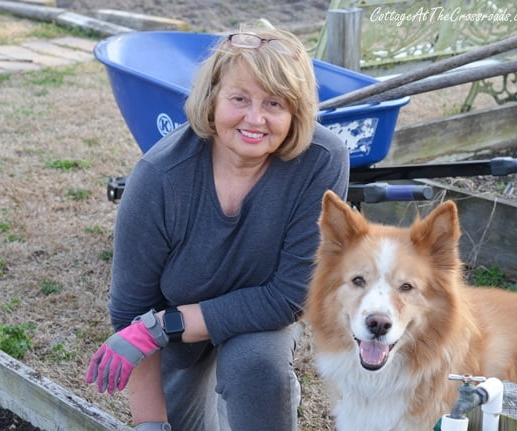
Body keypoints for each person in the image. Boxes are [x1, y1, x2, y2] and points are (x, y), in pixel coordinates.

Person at [85, 24, 350, 431]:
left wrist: (160, 327)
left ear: (296, 112)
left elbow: (289, 297)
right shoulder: (159, 177)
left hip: (256, 316)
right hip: (173, 329)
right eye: (239, 98)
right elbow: (132, 312)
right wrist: (150, 423)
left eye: (275, 103)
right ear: (211, 99)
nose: (255, 118)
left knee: (258, 369)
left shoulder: (321, 159)